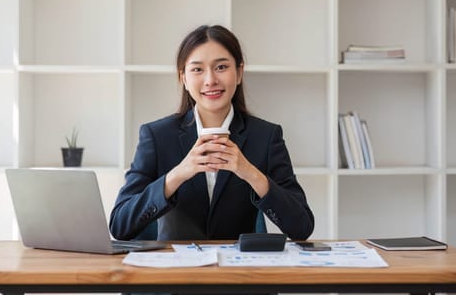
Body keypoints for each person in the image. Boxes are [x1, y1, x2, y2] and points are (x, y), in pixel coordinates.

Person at [110, 24, 314, 241]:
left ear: (239, 73)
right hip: (176, 269)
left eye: (221, 67)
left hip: (239, 269)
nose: (210, 80)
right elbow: (120, 225)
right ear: (184, 79)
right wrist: (177, 175)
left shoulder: (266, 136)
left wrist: (250, 173)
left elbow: (302, 227)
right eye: (197, 69)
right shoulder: (157, 136)